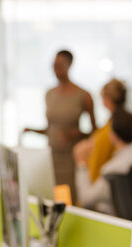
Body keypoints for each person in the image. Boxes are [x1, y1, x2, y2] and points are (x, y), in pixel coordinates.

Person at [24, 50, 96, 201]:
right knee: (50, 199)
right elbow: (50, 129)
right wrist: (31, 130)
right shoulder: (49, 94)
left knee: (69, 201)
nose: (56, 69)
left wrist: (76, 134)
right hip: (51, 157)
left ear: (69, 65)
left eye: (59, 65)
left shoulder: (84, 95)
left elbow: (94, 132)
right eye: (54, 65)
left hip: (71, 159)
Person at [74, 109, 132, 214]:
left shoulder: (113, 170)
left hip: (115, 221)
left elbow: (86, 199)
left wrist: (82, 165)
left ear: (113, 136)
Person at [73, 78, 127, 183]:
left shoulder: (109, 131)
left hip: (101, 185)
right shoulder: (118, 125)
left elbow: (97, 166)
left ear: (106, 100)